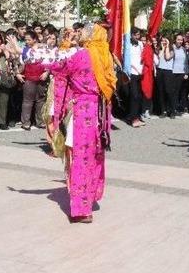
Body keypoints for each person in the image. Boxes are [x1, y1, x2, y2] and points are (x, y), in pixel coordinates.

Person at [12, 22, 116, 223]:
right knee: (94, 156)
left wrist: (23, 52)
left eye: (83, 32)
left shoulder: (80, 55)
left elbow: (50, 60)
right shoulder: (106, 56)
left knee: (81, 158)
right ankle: (91, 196)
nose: (80, 34)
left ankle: (82, 209)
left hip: (83, 112)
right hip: (100, 113)